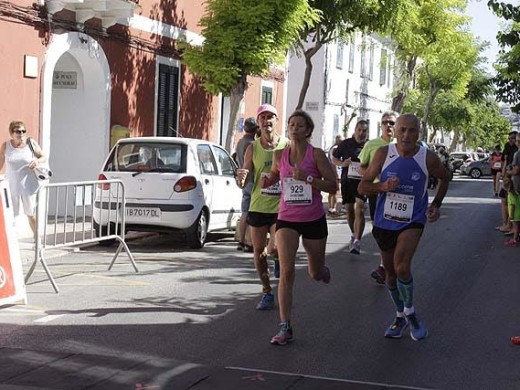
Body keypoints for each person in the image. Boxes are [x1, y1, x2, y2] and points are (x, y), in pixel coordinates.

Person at [358, 113, 449, 341]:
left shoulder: (427, 158)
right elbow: (363, 186)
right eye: (402, 130)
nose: (407, 135)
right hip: (384, 221)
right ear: (395, 131)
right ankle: (400, 316)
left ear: (419, 133)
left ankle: (410, 312)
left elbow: (445, 177)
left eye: (412, 131)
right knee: (389, 274)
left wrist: (436, 204)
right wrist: (383, 187)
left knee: (402, 267)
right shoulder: (382, 154)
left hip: (413, 220)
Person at [262, 110, 337, 345]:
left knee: (315, 273)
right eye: (291, 124)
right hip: (287, 218)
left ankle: (321, 271)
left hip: (313, 218)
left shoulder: (317, 155)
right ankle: (285, 327)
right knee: (287, 271)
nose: (294, 128)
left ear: (308, 131)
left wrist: (308, 178)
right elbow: (275, 174)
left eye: (300, 125)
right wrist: (266, 180)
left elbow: (333, 186)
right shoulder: (279, 155)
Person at [237, 104, 288, 310]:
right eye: (263, 117)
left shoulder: (287, 145)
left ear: (276, 121)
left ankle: (276, 257)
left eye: (270, 117)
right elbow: (246, 172)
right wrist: (241, 178)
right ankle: (267, 291)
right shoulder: (253, 148)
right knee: (258, 251)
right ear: (258, 122)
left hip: (281, 207)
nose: (266, 121)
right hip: (258, 205)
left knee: (274, 247)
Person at [359, 111, 397, 284]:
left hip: (400, 194)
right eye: (385, 122)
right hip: (378, 191)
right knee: (379, 229)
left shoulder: (403, 144)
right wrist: (372, 178)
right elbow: (362, 166)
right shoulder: (372, 145)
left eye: (391, 122)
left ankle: (385, 265)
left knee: (397, 229)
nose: (388, 125)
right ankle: (387, 262)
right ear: (380, 125)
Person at [0, 121, 47, 238]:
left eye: (23, 131)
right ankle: (10, 242)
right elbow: (0, 163)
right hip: (12, 185)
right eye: (18, 131)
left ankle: (37, 241)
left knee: (30, 214)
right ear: (12, 133)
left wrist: (36, 161)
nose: (21, 133)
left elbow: (43, 156)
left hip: (28, 185)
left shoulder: (30, 143)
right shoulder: (6, 146)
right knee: (11, 214)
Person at [332, 120, 368, 254]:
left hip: (362, 183)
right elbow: (334, 158)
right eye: (359, 129)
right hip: (347, 182)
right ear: (355, 130)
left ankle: (357, 241)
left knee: (360, 209)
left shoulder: (369, 145)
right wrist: (342, 163)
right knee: (349, 211)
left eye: (364, 130)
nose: (361, 133)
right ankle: (354, 234)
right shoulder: (346, 144)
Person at [235, 117, 257, 252]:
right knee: (252, 212)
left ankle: (241, 240)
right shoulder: (253, 144)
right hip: (252, 179)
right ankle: (249, 242)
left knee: (244, 212)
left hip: (243, 179)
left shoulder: (240, 142)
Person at [327, 134, 343, 216]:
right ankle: (333, 209)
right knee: (336, 191)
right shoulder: (335, 149)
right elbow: (333, 163)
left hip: (330, 172)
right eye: (341, 140)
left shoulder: (331, 148)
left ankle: (331, 208)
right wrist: (337, 174)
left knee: (332, 191)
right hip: (335, 172)